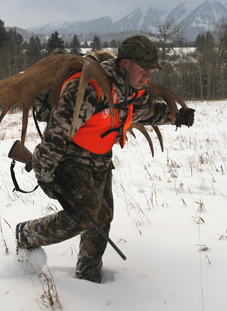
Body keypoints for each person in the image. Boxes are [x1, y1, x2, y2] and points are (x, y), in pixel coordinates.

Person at [16, 35, 194, 283]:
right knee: (82, 215)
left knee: (102, 217)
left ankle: (88, 277)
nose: (148, 75)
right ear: (125, 63)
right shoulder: (90, 88)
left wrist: (175, 117)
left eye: (150, 69)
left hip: (101, 160)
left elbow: (145, 113)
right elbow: (58, 131)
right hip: (70, 158)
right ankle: (27, 234)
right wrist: (44, 173)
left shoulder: (135, 91)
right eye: (143, 67)